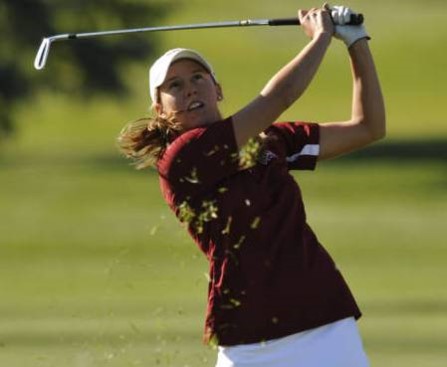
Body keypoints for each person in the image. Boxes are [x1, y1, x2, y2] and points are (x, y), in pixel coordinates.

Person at [118, 4, 385, 367]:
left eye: (198, 77)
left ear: (218, 89)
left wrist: (357, 42)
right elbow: (279, 97)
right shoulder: (182, 159)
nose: (190, 89)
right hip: (248, 339)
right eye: (174, 86)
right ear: (160, 109)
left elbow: (368, 127)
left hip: (324, 322)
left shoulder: (270, 140)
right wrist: (322, 37)